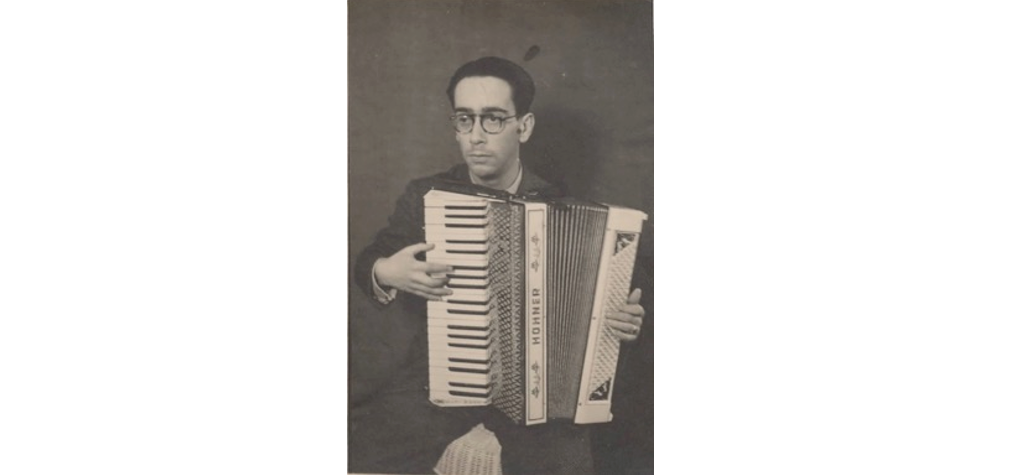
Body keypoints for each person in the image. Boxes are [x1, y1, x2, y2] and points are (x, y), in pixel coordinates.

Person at [349, 56, 646, 475]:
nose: (475, 137)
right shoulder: (425, 196)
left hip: (535, 393)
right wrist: (386, 272)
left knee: (565, 463)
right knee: (365, 454)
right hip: (438, 381)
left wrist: (626, 321)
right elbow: (368, 263)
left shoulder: (559, 206)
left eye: (492, 120)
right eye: (464, 120)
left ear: (523, 127)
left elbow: (611, 306)